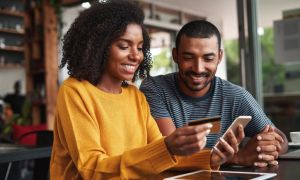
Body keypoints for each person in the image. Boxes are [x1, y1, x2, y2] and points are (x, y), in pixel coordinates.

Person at [50, 1, 244, 179]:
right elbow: (91, 168)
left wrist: (211, 158)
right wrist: (166, 148)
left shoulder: (135, 96)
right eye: (124, 46)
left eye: (141, 48)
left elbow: (160, 154)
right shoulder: (75, 92)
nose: (136, 56)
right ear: (98, 47)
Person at [140, 20, 288, 168]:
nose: (198, 68)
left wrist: (265, 147)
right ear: (175, 55)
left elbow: (281, 141)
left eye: (208, 58)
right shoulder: (155, 89)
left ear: (219, 57)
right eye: (188, 57)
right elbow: (171, 154)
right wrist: (238, 157)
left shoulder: (236, 96)